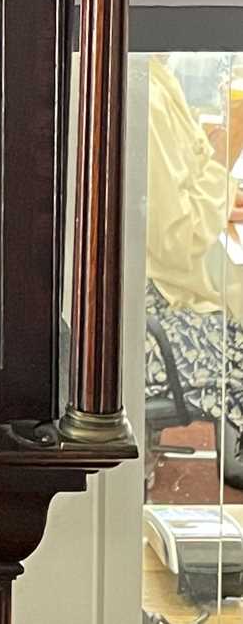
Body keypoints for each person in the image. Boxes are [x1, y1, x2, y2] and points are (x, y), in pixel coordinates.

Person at [145, 55, 243, 479]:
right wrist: (228, 151)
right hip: (154, 319)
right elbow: (175, 241)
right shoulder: (145, 94)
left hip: (161, 294)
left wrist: (221, 192)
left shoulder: (155, 74)